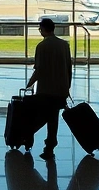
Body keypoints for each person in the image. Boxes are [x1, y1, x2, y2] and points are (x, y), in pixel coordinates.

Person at [26, 17, 72, 161]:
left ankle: (28, 135)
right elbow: (68, 68)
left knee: (44, 116)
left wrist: (30, 84)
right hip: (60, 88)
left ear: (43, 29)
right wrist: (67, 86)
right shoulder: (64, 45)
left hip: (46, 89)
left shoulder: (42, 46)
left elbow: (39, 69)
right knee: (53, 117)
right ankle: (50, 144)